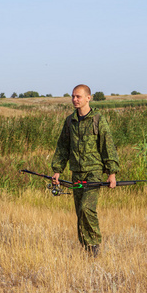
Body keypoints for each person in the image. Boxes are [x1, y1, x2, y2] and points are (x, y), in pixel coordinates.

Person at [51, 84, 120, 257]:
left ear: (88, 98)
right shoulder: (70, 121)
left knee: (86, 208)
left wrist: (111, 173)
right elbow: (62, 147)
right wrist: (57, 170)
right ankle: (86, 248)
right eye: (73, 96)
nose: (75, 100)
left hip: (94, 173)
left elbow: (108, 146)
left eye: (78, 96)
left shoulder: (97, 119)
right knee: (79, 213)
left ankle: (94, 244)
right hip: (76, 174)